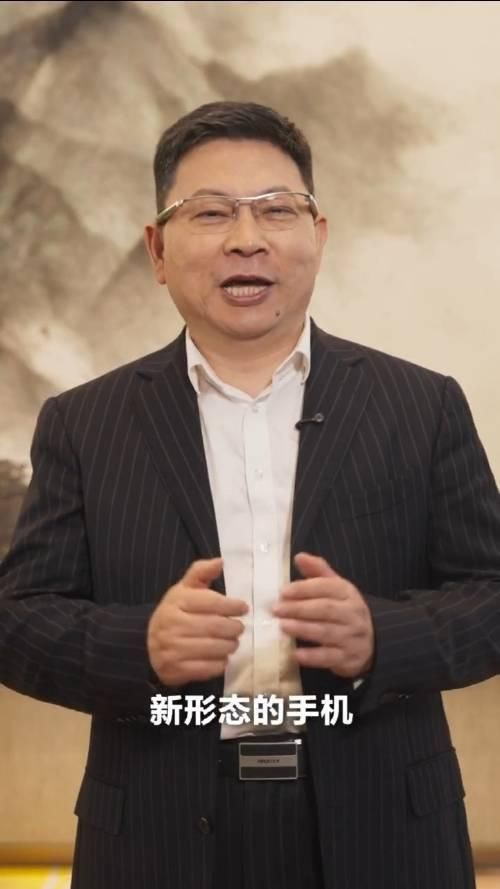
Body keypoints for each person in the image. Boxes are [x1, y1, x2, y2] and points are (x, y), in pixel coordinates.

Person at [0, 100, 499, 889]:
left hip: (384, 831)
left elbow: (491, 593)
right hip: (158, 836)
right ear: (158, 249)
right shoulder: (84, 422)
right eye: (211, 212)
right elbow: (19, 620)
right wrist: (140, 645)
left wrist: (383, 635)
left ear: (318, 236)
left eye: (276, 209)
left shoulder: (422, 404)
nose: (247, 237)